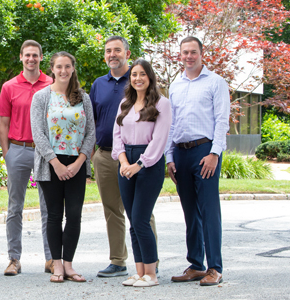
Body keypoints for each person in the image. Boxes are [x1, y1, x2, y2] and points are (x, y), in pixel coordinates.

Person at [89, 36, 159, 277]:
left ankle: (151, 262)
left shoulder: (139, 81)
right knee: (112, 209)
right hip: (106, 155)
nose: (112, 55)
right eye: (108, 51)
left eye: (117, 50)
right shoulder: (98, 84)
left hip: (137, 157)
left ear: (127, 54)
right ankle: (118, 260)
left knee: (142, 211)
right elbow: (93, 121)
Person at [165, 36, 230, 286]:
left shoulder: (216, 83)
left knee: (209, 211)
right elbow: (172, 124)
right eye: (185, 52)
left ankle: (215, 267)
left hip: (205, 152)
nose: (189, 56)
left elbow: (222, 121)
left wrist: (215, 154)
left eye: (193, 52)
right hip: (181, 154)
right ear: (179, 55)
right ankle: (195, 265)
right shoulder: (175, 85)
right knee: (190, 212)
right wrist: (170, 157)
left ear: (202, 54)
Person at [31, 51, 96, 283]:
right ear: (52, 69)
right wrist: (55, 163)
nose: (63, 71)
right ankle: (56, 265)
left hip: (76, 162)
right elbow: (37, 133)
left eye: (67, 66)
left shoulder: (83, 98)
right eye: (59, 67)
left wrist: (80, 162)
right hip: (51, 164)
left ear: (73, 68)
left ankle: (68, 264)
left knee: (75, 215)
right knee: (54, 215)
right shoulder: (41, 97)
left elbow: (91, 133)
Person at [112, 59, 171, 287]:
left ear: (150, 77)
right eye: (134, 74)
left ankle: (152, 275)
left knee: (141, 219)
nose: (137, 78)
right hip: (125, 162)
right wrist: (124, 161)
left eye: (142, 74)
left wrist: (139, 163)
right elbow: (117, 135)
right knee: (132, 221)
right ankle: (139, 272)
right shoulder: (125, 103)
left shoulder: (161, 104)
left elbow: (159, 140)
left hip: (149, 163)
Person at [0, 40, 53, 276]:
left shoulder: (52, 84)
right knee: (14, 208)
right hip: (17, 149)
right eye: (27, 55)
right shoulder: (9, 87)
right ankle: (13, 259)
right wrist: (7, 153)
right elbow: (3, 124)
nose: (31, 58)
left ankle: (52, 258)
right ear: (21, 57)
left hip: (45, 152)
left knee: (48, 207)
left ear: (41, 58)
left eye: (35, 55)